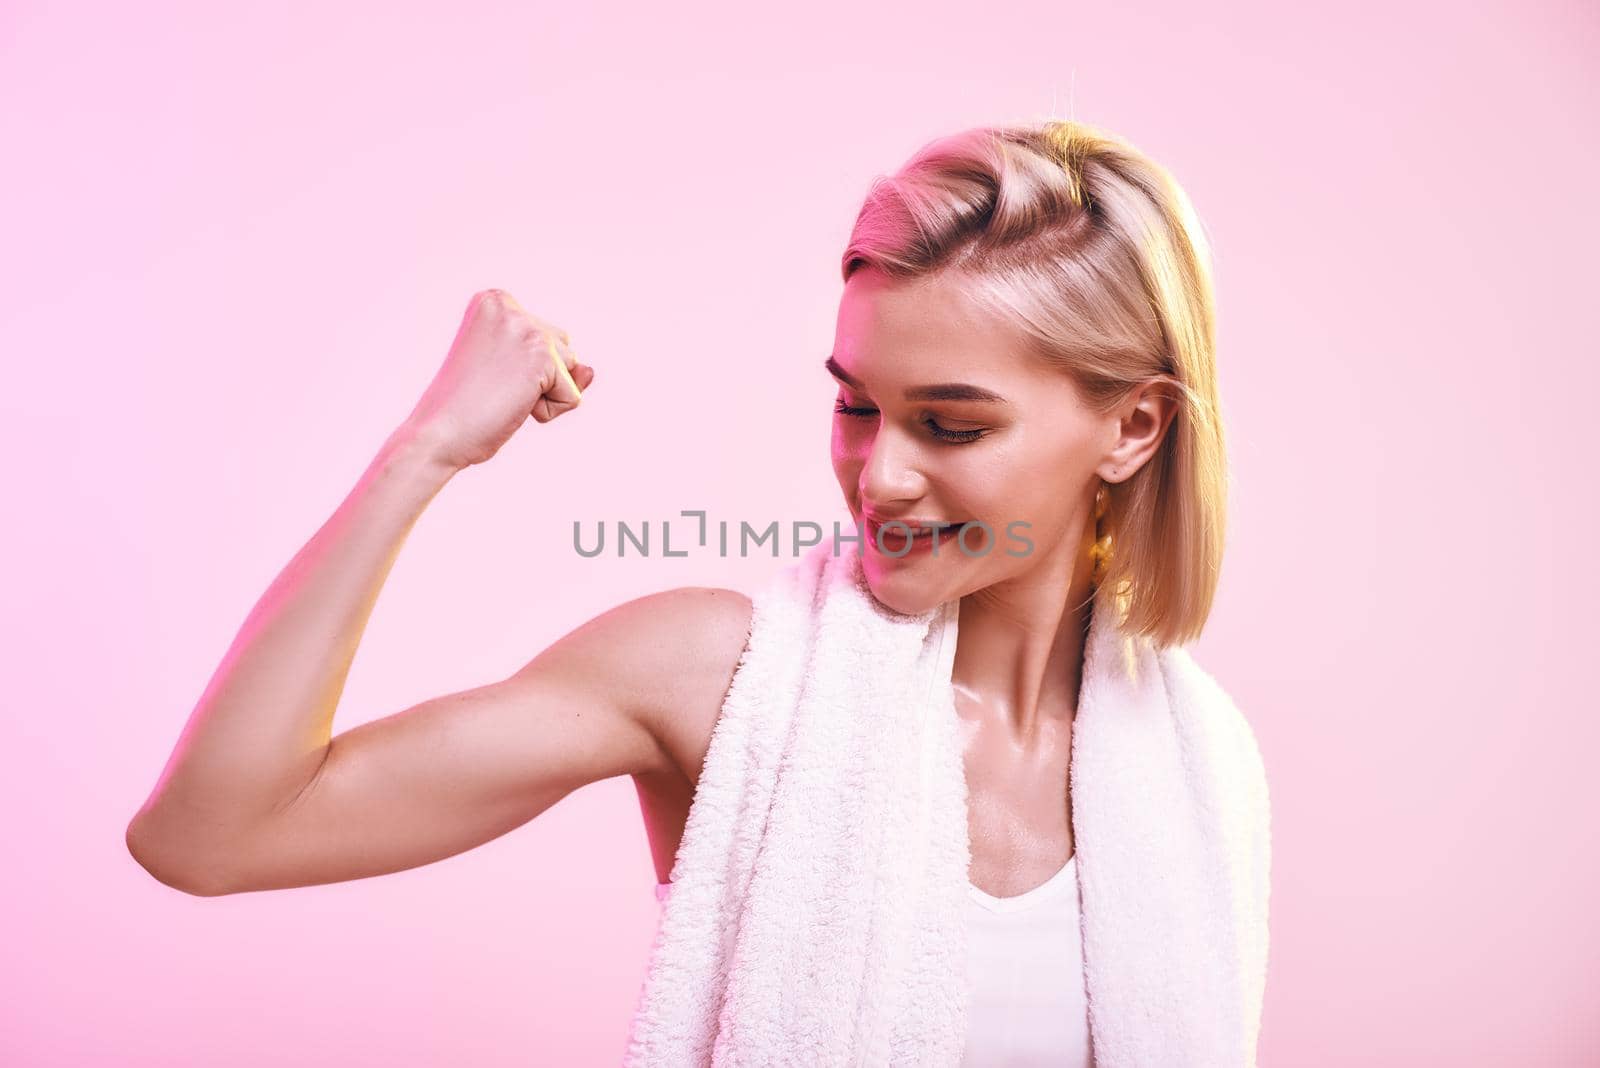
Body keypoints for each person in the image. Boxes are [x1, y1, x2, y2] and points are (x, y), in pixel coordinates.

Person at [126, 118, 1258, 1065]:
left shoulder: (1196, 763)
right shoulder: (723, 677)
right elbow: (211, 837)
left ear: (1133, 426)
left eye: (951, 424)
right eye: (856, 405)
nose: (882, 474)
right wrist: (423, 451)